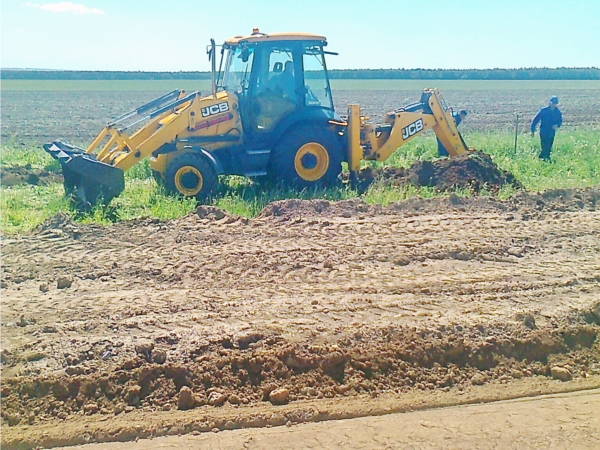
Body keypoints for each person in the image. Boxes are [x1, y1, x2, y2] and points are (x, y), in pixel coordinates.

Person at [530, 96, 562, 161]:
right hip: (543, 130)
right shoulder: (543, 111)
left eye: (555, 103)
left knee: (549, 146)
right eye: (553, 103)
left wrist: (557, 125)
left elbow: (560, 121)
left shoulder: (558, 112)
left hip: (551, 131)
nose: (554, 105)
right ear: (550, 103)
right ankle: (545, 158)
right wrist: (532, 130)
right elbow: (535, 120)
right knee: (544, 145)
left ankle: (543, 158)